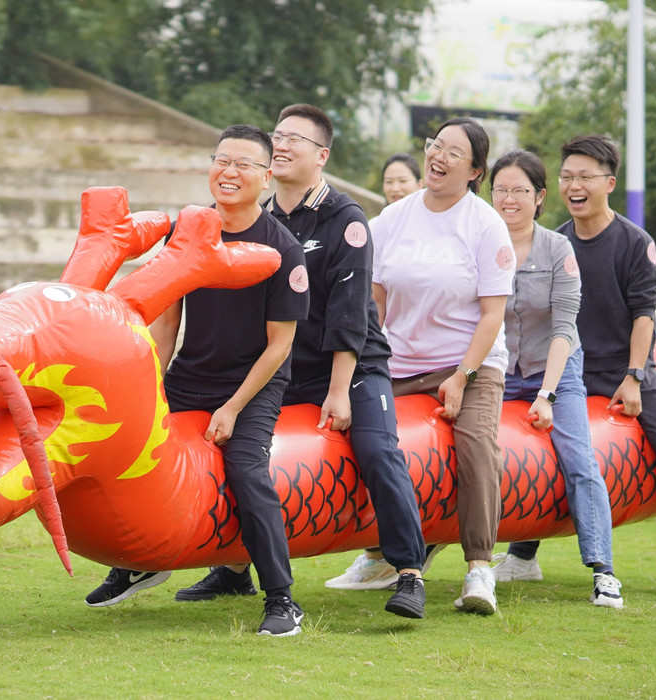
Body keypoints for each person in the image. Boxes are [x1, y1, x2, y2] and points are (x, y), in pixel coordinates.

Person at [194, 103, 427, 620]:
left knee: (376, 450)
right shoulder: (260, 215)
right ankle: (233, 569)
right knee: (236, 449)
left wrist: (340, 390)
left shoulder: (346, 220)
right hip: (284, 367)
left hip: (351, 365)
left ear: (321, 156)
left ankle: (408, 571)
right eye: (278, 135)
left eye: (296, 138)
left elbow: (349, 316)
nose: (282, 144)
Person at [83, 125, 312, 637]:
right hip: (192, 374)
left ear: (268, 174)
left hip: (253, 383)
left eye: (244, 165)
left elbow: (280, 346)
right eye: (221, 160)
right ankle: (139, 561)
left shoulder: (283, 250)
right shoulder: (187, 230)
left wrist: (231, 408)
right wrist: (152, 387)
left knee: (247, 472)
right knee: (128, 447)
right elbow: (166, 324)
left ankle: (281, 597)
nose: (229, 173)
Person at [508, 134, 656, 586]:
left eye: (585, 177)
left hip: (622, 366)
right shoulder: (553, 242)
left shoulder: (634, 242)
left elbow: (644, 316)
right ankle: (521, 554)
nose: (575, 185)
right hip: (568, 366)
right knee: (538, 447)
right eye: (567, 176)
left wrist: (634, 378)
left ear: (609, 183)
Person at [328, 116, 513, 615]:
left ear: (475, 170)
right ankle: (379, 555)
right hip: (398, 363)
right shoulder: (392, 219)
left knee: (475, 445)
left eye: (455, 152)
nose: (439, 156)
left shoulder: (485, 223)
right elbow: (374, 301)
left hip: (469, 364)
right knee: (369, 438)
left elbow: (494, 313)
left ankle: (479, 569)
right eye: (436, 145)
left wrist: (462, 377)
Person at [484, 150, 622, 609]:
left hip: (555, 371)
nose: (509, 199)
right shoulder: (479, 245)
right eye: (500, 189)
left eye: (520, 190)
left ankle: (603, 571)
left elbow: (565, 328)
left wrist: (546, 394)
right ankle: (417, 561)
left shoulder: (557, 249)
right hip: (499, 370)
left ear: (540, 197)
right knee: (469, 453)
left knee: (579, 461)